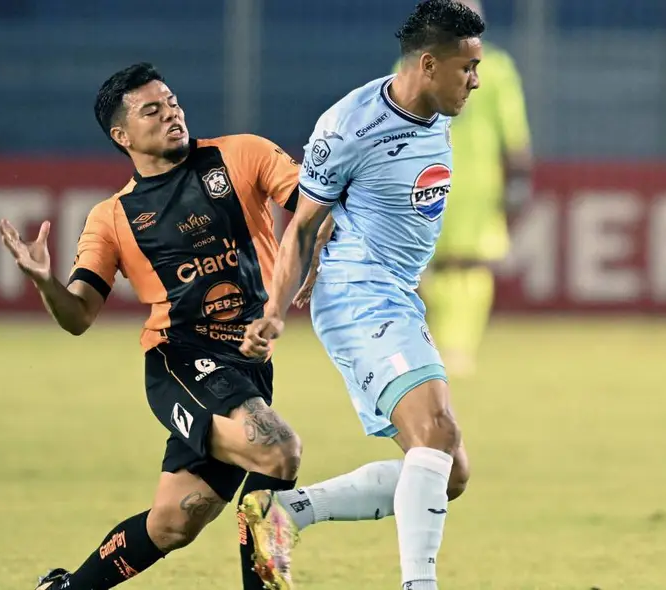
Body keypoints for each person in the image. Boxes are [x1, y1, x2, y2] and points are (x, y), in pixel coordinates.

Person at [0, 62, 304, 590]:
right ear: (122, 135)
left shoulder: (242, 154)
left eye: (173, 102)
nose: (172, 115)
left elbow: (313, 213)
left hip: (248, 367)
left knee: (174, 522)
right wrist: (46, 282)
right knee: (277, 449)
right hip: (178, 362)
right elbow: (78, 316)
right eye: (152, 110)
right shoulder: (111, 218)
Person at [237, 2, 484, 589]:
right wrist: (274, 311)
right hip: (357, 297)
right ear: (428, 64)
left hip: (395, 294)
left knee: (449, 472)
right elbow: (300, 224)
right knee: (439, 431)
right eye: (468, 68)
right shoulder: (349, 126)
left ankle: (283, 513)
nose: (476, 80)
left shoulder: (437, 107)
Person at [415, 0, 533, 377]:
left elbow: (513, 133)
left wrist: (518, 177)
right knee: (430, 262)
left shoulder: (494, 68)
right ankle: (440, 341)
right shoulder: (491, 66)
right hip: (432, 176)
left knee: (467, 262)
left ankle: (457, 345)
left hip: (469, 180)